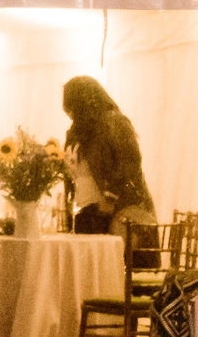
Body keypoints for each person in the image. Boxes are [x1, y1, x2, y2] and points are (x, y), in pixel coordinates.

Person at [60, 75, 157, 229]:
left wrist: (110, 198)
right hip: (86, 211)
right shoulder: (75, 131)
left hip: (117, 211)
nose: (69, 114)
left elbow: (129, 164)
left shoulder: (114, 123)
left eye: (71, 108)